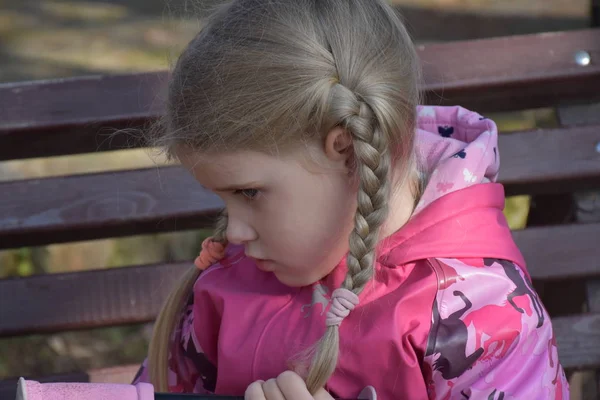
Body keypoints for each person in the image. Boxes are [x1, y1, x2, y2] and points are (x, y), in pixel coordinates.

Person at [132, 0, 569, 398]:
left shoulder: (485, 319)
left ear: (345, 150)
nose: (235, 230)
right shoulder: (231, 280)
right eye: (226, 198)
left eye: (249, 193)